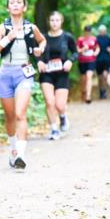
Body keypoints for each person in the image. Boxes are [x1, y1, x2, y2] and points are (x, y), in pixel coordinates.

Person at [0, 0, 46, 170]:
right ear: (8, 8)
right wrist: (8, 38)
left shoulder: (30, 28)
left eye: (19, 2)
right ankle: (13, 150)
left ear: (24, 7)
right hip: (5, 73)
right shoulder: (2, 28)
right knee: (10, 117)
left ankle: (20, 154)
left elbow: (43, 41)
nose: (16, 5)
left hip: (23, 73)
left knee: (20, 114)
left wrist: (39, 50)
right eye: (12, 2)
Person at [37, 11, 77, 140]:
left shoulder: (67, 37)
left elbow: (75, 52)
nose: (54, 23)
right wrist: (39, 62)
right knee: (49, 102)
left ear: (61, 21)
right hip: (46, 73)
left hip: (62, 74)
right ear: (49, 22)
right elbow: (36, 52)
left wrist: (70, 61)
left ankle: (63, 117)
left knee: (60, 105)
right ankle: (54, 129)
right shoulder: (42, 38)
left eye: (57, 20)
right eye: (52, 20)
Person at [76, 24, 99, 104]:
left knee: (89, 77)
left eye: (89, 32)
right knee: (83, 79)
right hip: (82, 61)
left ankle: (88, 96)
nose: (87, 33)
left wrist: (96, 52)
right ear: (84, 32)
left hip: (91, 60)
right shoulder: (80, 40)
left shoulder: (94, 39)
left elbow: (97, 47)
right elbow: (77, 50)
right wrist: (83, 49)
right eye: (86, 32)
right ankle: (83, 91)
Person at [95, 24, 110, 99]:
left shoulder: (109, 39)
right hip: (98, 60)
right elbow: (93, 48)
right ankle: (101, 91)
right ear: (99, 31)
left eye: (103, 31)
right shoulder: (96, 39)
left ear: (105, 31)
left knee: (105, 76)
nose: (102, 32)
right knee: (99, 77)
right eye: (101, 31)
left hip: (106, 59)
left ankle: (104, 91)